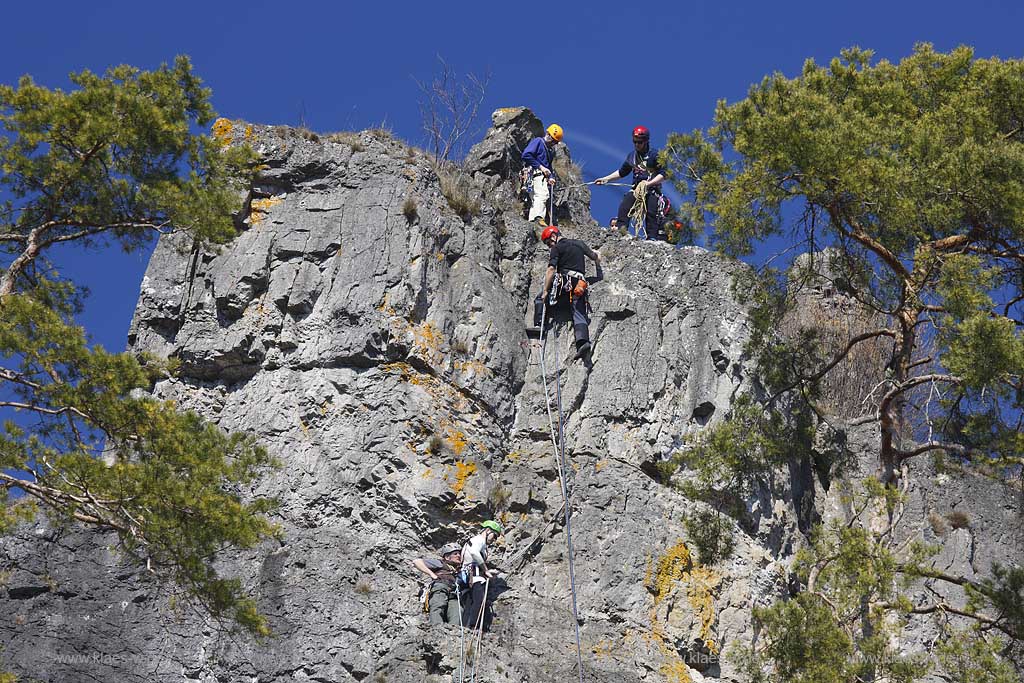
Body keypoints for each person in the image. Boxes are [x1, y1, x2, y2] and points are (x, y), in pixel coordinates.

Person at [541, 225, 602, 363]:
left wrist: (545, 291)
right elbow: (594, 256)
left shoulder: (557, 248)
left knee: (541, 299)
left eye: (548, 243)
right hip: (580, 285)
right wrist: (598, 261)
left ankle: (539, 325)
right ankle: (583, 342)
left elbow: (551, 269)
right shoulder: (579, 244)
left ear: (553, 236)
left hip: (564, 283)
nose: (550, 246)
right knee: (578, 312)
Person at [594, 125, 668, 239]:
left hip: (652, 189)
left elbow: (664, 174)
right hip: (636, 189)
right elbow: (622, 172)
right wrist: (605, 179)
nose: (637, 144)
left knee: (651, 212)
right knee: (625, 206)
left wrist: (648, 184)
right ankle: (621, 232)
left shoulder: (654, 155)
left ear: (646, 141)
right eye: (635, 142)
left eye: (639, 142)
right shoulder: (632, 157)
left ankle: (652, 238)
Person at [461, 520, 502, 632]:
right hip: (474, 573)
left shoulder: (476, 541)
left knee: (471, 601)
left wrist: (489, 571)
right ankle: (474, 625)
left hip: (470, 573)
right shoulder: (479, 540)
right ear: (488, 530)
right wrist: (486, 570)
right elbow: (474, 553)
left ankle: (466, 626)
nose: (494, 540)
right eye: (495, 536)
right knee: (479, 599)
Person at [521, 123, 564, 227]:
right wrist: (540, 167)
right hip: (535, 173)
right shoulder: (538, 142)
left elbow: (549, 167)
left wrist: (551, 177)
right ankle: (538, 218)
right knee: (542, 195)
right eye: (553, 141)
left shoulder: (550, 152)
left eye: (555, 142)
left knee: (537, 197)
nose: (553, 143)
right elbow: (526, 155)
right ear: (548, 134)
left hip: (542, 176)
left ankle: (533, 221)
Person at [412, 543, 464, 625]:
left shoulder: (457, 570)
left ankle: (454, 633)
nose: (459, 555)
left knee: (457, 611)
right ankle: (437, 629)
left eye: (459, 553)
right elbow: (417, 562)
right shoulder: (440, 563)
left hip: (453, 593)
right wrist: (432, 574)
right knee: (438, 606)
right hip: (441, 587)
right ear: (447, 557)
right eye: (455, 554)